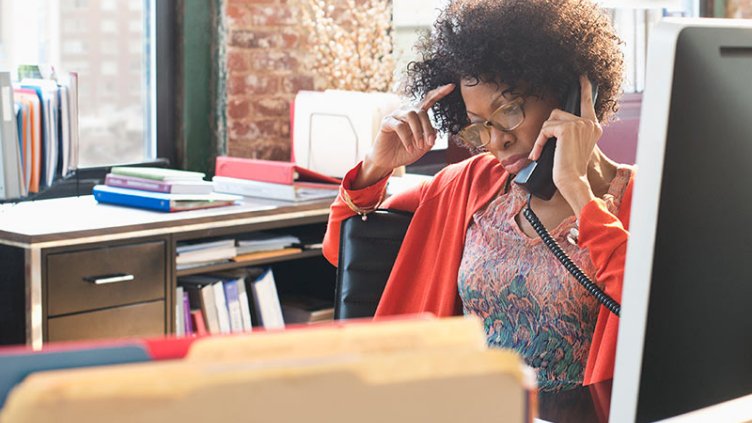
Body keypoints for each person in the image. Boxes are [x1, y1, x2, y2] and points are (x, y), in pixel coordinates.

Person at [322, 0, 632, 392]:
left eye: (509, 111)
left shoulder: (643, 201)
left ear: (569, 93)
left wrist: (576, 188)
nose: (497, 140)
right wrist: (376, 165)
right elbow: (342, 248)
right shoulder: (468, 185)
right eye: (478, 127)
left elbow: (655, 314)